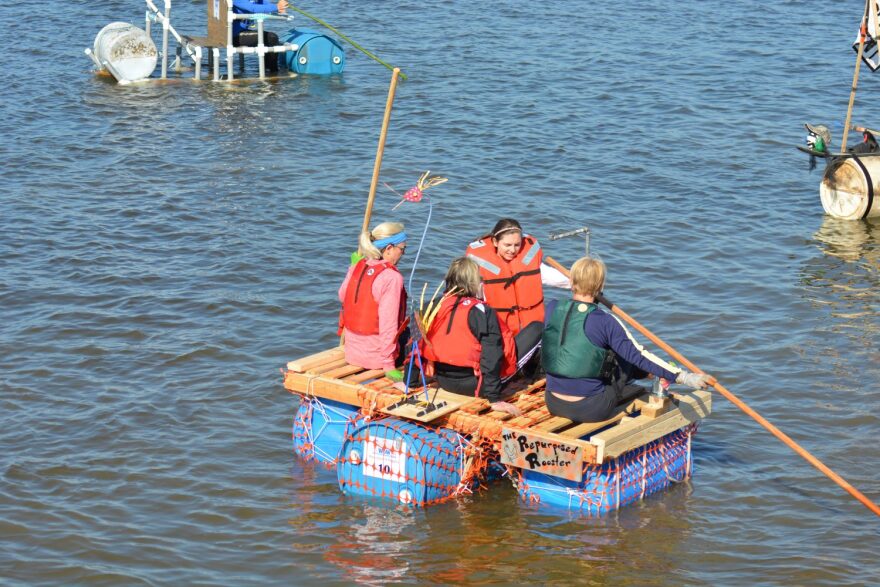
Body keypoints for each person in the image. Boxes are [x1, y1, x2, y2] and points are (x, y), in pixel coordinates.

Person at [542, 257, 711, 423]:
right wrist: (685, 377)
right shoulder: (605, 321)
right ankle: (657, 375)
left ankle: (652, 373)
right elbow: (638, 355)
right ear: (600, 286)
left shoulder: (552, 307)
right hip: (591, 408)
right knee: (625, 356)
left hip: (553, 402)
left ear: (571, 282)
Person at [421, 257, 537, 416]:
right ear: (474, 282)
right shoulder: (481, 311)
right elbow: (492, 355)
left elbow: (416, 345)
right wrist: (494, 399)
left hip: (443, 380)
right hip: (475, 385)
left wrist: (411, 380)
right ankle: (536, 382)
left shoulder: (433, 305)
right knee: (537, 329)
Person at [465, 218, 568, 338]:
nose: (512, 250)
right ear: (495, 242)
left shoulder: (529, 261)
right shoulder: (480, 269)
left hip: (530, 329)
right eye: (507, 245)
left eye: (517, 245)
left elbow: (552, 277)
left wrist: (581, 281)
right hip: (498, 330)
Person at [338, 222, 408, 378]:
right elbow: (388, 325)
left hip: (352, 353)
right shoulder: (391, 278)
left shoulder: (357, 266)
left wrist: (352, 268)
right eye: (402, 249)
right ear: (389, 248)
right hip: (377, 359)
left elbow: (343, 296)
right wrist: (389, 365)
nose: (403, 254)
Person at [231, 0, 289, 72]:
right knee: (272, 38)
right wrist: (277, 7)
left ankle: (267, 69)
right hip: (234, 37)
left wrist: (279, 9)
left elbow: (264, 4)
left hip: (242, 32)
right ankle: (273, 72)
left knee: (270, 38)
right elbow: (252, 8)